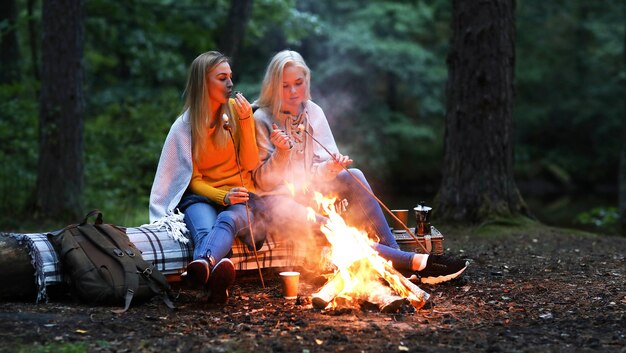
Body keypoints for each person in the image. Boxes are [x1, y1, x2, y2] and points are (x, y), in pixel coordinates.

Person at [252, 50, 468, 284]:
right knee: (320, 220)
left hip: (309, 192)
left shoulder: (313, 112)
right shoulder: (261, 119)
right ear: (273, 85)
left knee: (353, 174)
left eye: (298, 83)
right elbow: (263, 181)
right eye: (285, 86)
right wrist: (282, 154)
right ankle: (411, 262)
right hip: (278, 203)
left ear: (307, 81)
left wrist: (331, 169)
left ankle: (396, 256)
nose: (293, 92)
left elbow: (317, 170)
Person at [149, 51, 261, 303]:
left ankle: (202, 267)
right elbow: (192, 179)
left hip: (241, 197)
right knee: (204, 228)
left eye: (230, 77)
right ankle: (217, 285)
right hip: (202, 196)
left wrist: (245, 121)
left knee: (227, 221)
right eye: (222, 78)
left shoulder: (237, 112)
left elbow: (251, 164)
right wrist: (222, 195)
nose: (230, 84)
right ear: (203, 82)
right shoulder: (185, 126)